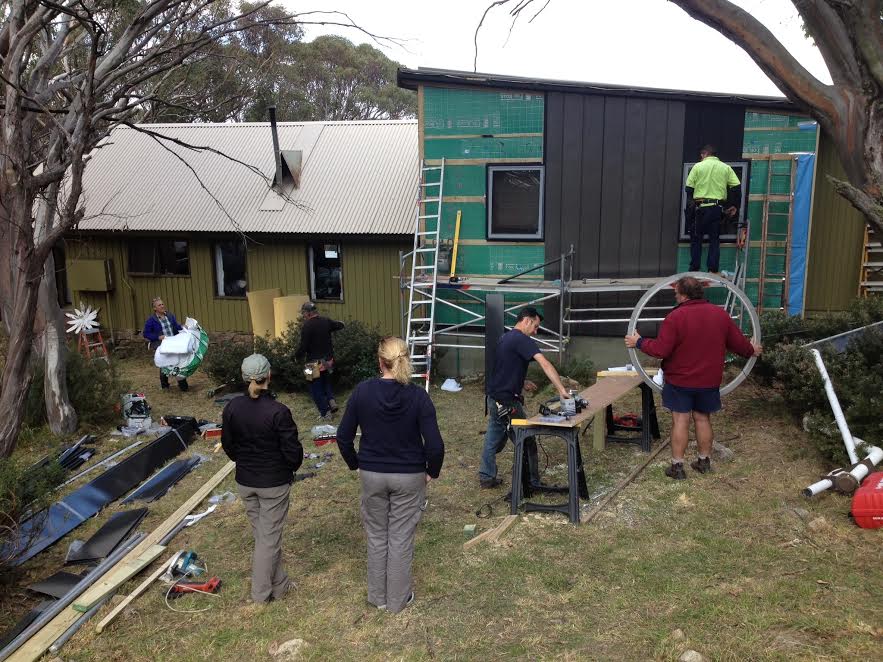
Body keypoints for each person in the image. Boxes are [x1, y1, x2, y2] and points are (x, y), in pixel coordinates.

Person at [336, 337, 444, 614]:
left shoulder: (362, 392)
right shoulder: (419, 396)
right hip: (408, 476)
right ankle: (397, 601)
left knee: (377, 535)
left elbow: (343, 436)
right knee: (400, 537)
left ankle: (378, 598)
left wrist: (356, 464)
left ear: (380, 361)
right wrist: (431, 471)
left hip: (373, 473)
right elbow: (435, 445)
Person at [624, 276, 762, 479]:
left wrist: (639, 342)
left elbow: (661, 349)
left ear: (683, 295)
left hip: (680, 380)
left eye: (675, 293)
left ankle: (677, 467)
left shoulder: (675, 317)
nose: (675, 296)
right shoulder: (720, 315)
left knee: (681, 420)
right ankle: (704, 461)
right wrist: (751, 350)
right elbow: (739, 344)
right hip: (708, 380)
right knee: (702, 418)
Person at [221, 354, 303, 604]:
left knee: (265, 537)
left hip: (246, 481)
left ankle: (280, 585)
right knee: (268, 539)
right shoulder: (278, 412)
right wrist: (286, 468)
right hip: (272, 484)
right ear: (269, 376)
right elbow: (293, 452)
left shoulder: (232, 407)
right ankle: (260, 594)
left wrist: (245, 462)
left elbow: (228, 445)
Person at [480, 307, 571, 489]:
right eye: (536, 326)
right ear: (527, 320)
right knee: (527, 440)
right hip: (507, 402)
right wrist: (561, 389)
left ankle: (486, 476)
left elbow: (502, 368)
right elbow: (545, 363)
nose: (535, 331)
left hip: (494, 398)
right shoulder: (522, 339)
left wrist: (521, 382)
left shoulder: (505, 338)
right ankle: (532, 482)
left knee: (493, 438)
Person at [685, 144, 741, 273]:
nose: (701, 158)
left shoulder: (697, 166)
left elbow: (688, 188)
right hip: (716, 208)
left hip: (699, 208)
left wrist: (691, 204)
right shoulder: (726, 168)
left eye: (701, 155)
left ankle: (694, 268)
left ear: (704, 154)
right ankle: (712, 268)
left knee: (696, 238)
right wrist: (734, 205)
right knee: (714, 239)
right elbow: (737, 188)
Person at [294, 301, 344, 420]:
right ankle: (331, 400)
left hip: (311, 364)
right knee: (325, 382)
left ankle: (325, 413)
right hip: (328, 361)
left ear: (308, 313)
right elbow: (340, 325)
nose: (303, 315)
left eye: (304, 313)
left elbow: (303, 347)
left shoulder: (307, 326)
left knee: (314, 389)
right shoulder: (326, 321)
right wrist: (340, 324)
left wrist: (296, 357)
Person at [143, 297, 188, 391]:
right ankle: (165, 386)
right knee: (164, 364)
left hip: (173, 343)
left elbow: (176, 327)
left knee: (178, 363)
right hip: (162, 345)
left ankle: (183, 386)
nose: (162, 306)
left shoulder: (170, 316)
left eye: (162, 304)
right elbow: (146, 333)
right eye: (159, 305)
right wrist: (157, 337)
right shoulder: (151, 320)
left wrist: (182, 327)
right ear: (155, 308)